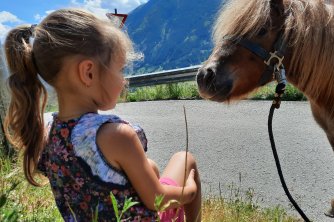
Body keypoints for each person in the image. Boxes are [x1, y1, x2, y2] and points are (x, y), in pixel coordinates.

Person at [3, 8, 201, 222]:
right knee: (185, 158)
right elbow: (158, 200)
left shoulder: (45, 132)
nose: (124, 80)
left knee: (150, 166)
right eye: (120, 69)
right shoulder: (117, 135)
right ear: (88, 73)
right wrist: (188, 191)